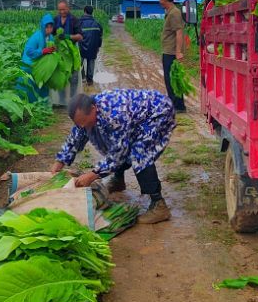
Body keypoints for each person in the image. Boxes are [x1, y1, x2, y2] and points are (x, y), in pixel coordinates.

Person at [50, 90, 176, 224]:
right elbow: (75, 136)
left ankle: (159, 205)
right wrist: (59, 162)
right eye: (78, 123)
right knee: (106, 140)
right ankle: (118, 180)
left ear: (93, 109)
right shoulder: (86, 114)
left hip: (158, 113)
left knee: (139, 153)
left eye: (83, 121)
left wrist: (93, 174)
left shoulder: (115, 115)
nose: (81, 125)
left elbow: (119, 153)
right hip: (138, 116)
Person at [17, 13, 56, 103]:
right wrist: (42, 51)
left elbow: (51, 49)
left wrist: (53, 50)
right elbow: (29, 51)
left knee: (45, 80)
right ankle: (28, 103)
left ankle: (42, 102)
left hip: (41, 64)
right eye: (47, 27)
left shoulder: (50, 37)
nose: (49, 29)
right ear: (43, 26)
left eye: (51, 27)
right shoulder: (36, 37)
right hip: (30, 63)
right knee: (29, 85)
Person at [159, 0, 187, 111]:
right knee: (170, 79)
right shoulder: (170, 12)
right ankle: (176, 104)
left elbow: (179, 32)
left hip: (171, 52)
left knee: (172, 79)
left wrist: (178, 51)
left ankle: (177, 105)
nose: (159, 2)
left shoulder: (174, 13)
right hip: (168, 51)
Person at [52, 0, 83, 106]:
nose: (61, 12)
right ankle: (61, 100)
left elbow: (80, 36)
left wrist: (67, 37)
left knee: (73, 77)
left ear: (68, 8)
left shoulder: (74, 20)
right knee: (61, 77)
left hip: (72, 53)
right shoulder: (55, 20)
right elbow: (51, 35)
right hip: (60, 53)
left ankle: (73, 100)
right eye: (59, 10)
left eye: (63, 9)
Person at [78, 5, 103, 86]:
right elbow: (100, 36)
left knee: (79, 65)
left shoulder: (79, 23)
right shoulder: (97, 24)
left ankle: (83, 78)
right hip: (93, 48)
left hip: (81, 48)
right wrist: (98, 46)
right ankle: (90, 81)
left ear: (84, 11)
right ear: (92, 12)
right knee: (91, 63)